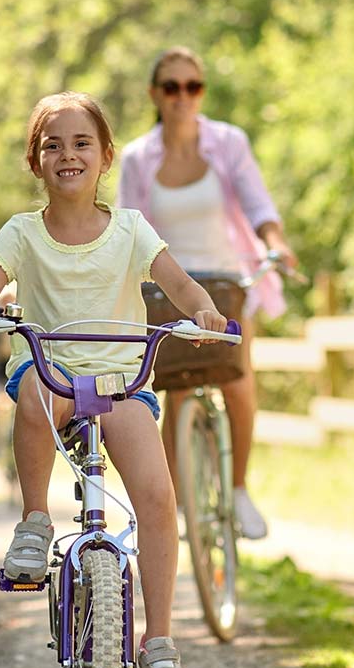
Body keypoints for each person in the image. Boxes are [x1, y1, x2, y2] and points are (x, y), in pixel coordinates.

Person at [0, 90, 228, 668]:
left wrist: (204, 311)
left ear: (105, 157)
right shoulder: (22, 233)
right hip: (53, 372)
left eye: (81, 144)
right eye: (53, 145)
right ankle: (34, 522)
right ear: (35, 161)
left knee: (157, 500)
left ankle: (158, 645)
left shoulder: (131, 229)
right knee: (30, 393)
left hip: (120, 381)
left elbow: (178, 283)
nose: (67, 155)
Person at [118, 47, 297, 540]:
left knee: (237, 381)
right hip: (168, 285)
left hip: (226, 279)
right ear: (156, 94)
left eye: (192, 86)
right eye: (171, 87)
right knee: (175, 387)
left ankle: (238, 491)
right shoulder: (137, 157)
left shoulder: (228, 143)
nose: (182, 96)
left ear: (201, 93)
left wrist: (276, 244)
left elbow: (258, 202)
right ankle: (174, 506)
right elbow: (128, 225)